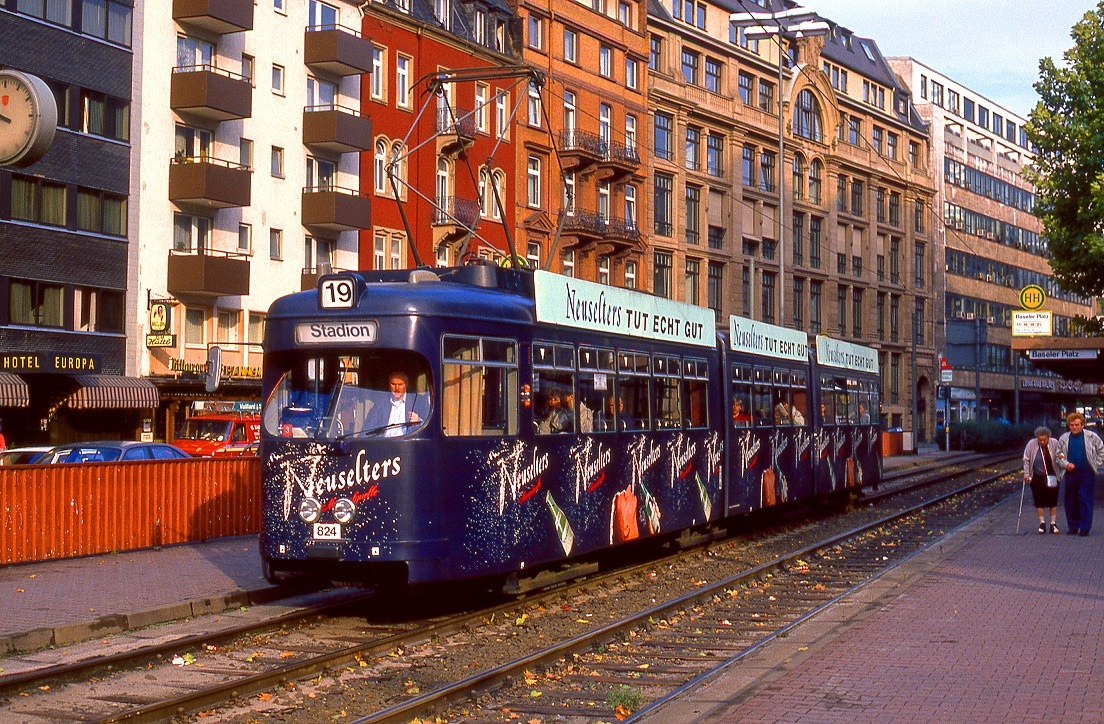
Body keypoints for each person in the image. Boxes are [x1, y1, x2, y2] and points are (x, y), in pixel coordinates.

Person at [1057, 411, 1104, 536]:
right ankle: (1073, 526)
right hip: (1070, 473)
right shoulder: (1064, 438)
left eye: (1077, 425)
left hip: (1086, 472)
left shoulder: (1092, 436)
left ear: (1083, 424)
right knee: (1070, 500)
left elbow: (1101, 449)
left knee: (1085, 499)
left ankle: (1085, 527)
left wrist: (1096, 463)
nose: (1074, 427)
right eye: (1072, 425)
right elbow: (1058, 454)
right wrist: (1066, 464)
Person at [366, 370, 430, 437]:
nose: (397, 388)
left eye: (400, 384)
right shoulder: (381, 402)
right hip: (384, 444)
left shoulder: (418, 401)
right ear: (389, 384)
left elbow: (430, 429)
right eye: (393, 384)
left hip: (405, 444)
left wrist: (419, 422)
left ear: (406, 384)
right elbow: (368, 429)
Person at [1022, 426, 1061, 534]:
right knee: (1039, 500)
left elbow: (1060, 456)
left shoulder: (1055, 443)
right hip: (1037, 476)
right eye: (1040, 440)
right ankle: (1042, 523)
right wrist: (1026, 474)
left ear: (1049, 438)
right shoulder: (1031, 444)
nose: (1042, 442)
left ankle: (1053, 523)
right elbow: (1026, 459)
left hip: (1052, 475)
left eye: (1045, 440)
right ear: (1037, 438)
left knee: (1052, 499)